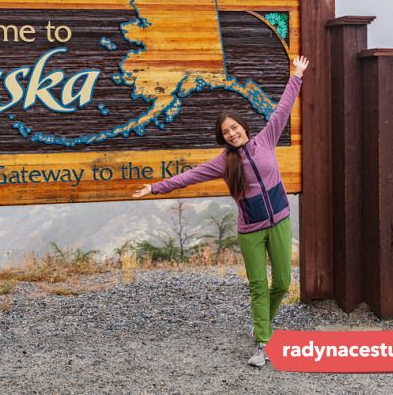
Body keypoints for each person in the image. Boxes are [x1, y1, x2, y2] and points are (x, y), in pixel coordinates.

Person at [132, 55, 309, 367]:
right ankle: (262, 343)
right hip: (250, 230)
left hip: (279, 220)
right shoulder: (224, 162)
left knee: (282, 282)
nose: (232, 133)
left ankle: (263, 323)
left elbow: (283, 108)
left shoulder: (266, 139)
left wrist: (296, 75)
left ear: (243, 127)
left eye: (235, 128)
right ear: (222, 137)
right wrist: (155, 187)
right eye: (226, 132)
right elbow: (189, 176)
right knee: (257, 285)